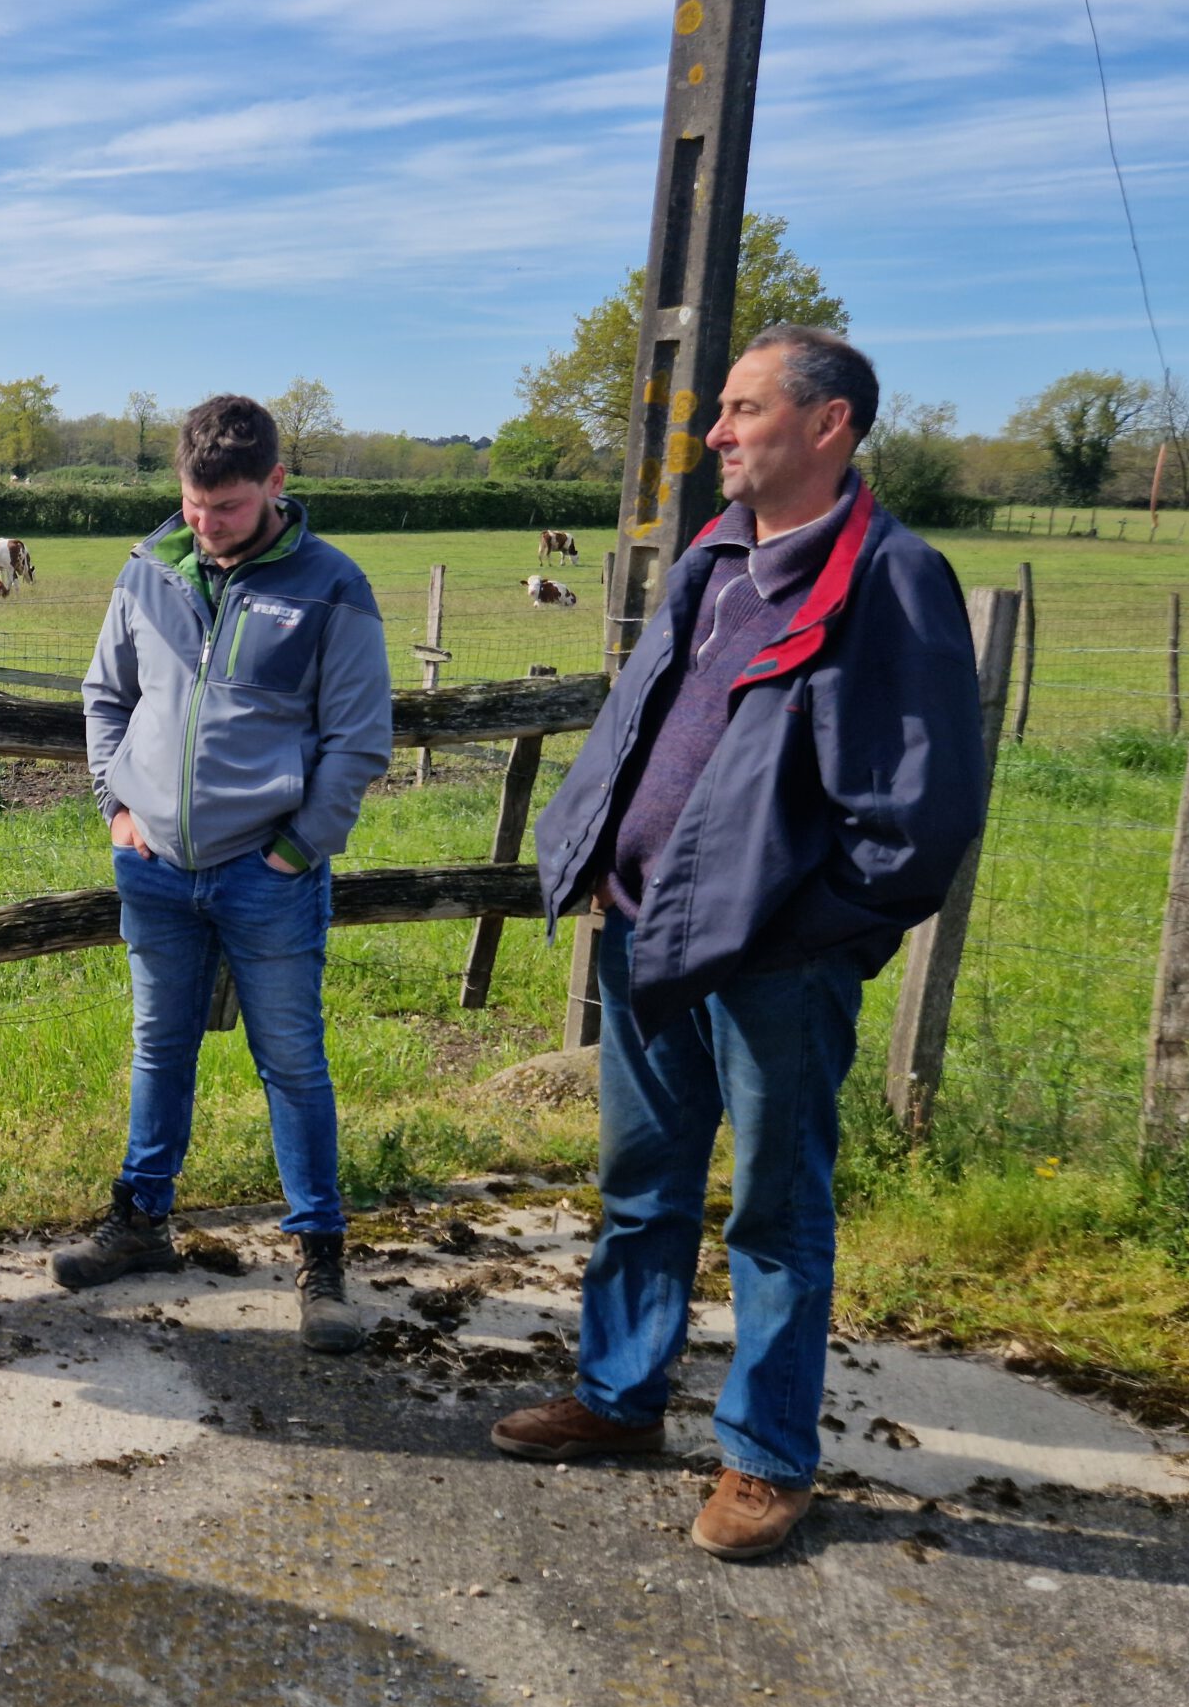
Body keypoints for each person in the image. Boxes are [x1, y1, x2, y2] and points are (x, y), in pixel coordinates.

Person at [493, 325, 988, 1559]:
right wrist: (600, 852)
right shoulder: (713, 558)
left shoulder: (890, 578)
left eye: (744, 409)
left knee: (775, 1210)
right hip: (647, 935)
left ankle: (766, 1457)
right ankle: (618, 1400)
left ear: (829, 427)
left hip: (774, 963)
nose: (715, 432)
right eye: (720, 409)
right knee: (640, 1187)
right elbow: (647, 725)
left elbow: (918, 823)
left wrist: (801, 933)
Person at [60, 394, 394, 1350]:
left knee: (291, 1062)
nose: (209, 528)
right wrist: (114, 807)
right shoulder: (148, 569)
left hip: (269, 875)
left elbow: (359, 739)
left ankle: (320, 1257)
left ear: (277, 484)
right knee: (159, 1046)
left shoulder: (334, 588)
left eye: (231, 510)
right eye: (196, 507)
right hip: (155, 869)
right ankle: (141, 1222)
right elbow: (105, 693)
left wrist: (299, 848)